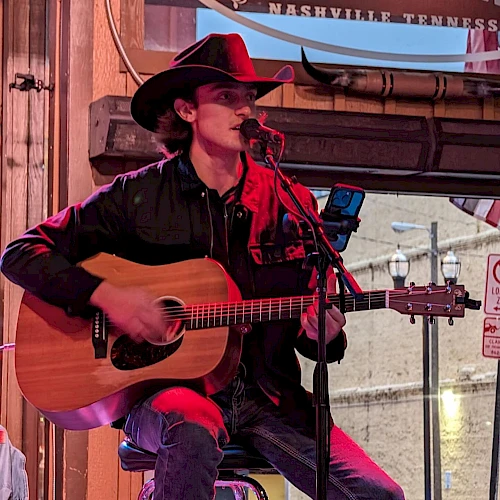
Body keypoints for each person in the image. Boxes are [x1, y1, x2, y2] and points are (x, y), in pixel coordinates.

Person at [0, 33, 405, 500]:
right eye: (227, 97)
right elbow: (21, 254)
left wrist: (324, 334)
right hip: (164, 394)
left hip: (268, 397)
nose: (244, 110)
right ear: (187, 110)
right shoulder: (138, 196)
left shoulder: (289, 202)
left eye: (250, 99)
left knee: (379, 495)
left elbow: (310, 324)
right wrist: (109, 297)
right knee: (192, 426)